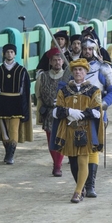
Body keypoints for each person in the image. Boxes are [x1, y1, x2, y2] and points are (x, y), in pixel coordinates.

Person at [51, 58, 104, 203]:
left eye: (80, 70)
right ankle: (81, 188)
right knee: (73, 163)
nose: (77, 72)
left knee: (83, 160)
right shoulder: (64, 90)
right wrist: (69, 111)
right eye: (75, 70)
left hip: (85, 130)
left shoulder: (94, 90)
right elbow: (55, 112)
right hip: (69, 131)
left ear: (86, 72)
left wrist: (83, 114)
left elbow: (97, 112)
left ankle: (78, 192)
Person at [80, 38, 112, 198]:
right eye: (85, 49)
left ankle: (90, 185)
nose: (87, 51)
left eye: (90, 49)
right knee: (79, 149)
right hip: (78, 114)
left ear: (95, 50)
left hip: (97, 115)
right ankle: (80, 183)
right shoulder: (76, 68)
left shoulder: (104, 68)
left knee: (94, 147)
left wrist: (103, 104)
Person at [0, 44, 32, 164]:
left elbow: (26, 89)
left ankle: (10, 155)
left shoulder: (22, 71)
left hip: (17, 103)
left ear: (15, 54)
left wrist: (25, 105)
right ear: (3, 54)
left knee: (14, 129)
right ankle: (8, 153)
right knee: (4, 131)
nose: (9, 54)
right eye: (7, 52)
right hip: (1, 102)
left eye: (12, 52)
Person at [35, 48, 71, 177]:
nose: (57, 62)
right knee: (51, 140)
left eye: (59, 59)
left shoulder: (68, 77)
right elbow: (38, 96)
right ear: (50, 62)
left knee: (60, 139)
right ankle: (56, 162)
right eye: (54, 60)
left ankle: (57, 165)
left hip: (63, 113)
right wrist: (39, 115)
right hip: (49, 112)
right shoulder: (42, 76)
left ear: (63, 61)